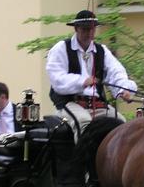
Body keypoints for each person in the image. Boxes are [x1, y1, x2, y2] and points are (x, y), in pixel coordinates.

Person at [46, 9, 136, 137]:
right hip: (70, 103)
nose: (89, 33)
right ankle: (83, 157)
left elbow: (116, 72)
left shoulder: (101, 51)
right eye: (85, 29)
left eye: (92, 29)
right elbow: (57, 78)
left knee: (120, 123)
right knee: (83, 123)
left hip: (97, 104)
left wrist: (123, 90)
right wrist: (82, 81)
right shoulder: (61, 48)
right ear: (76, 29)